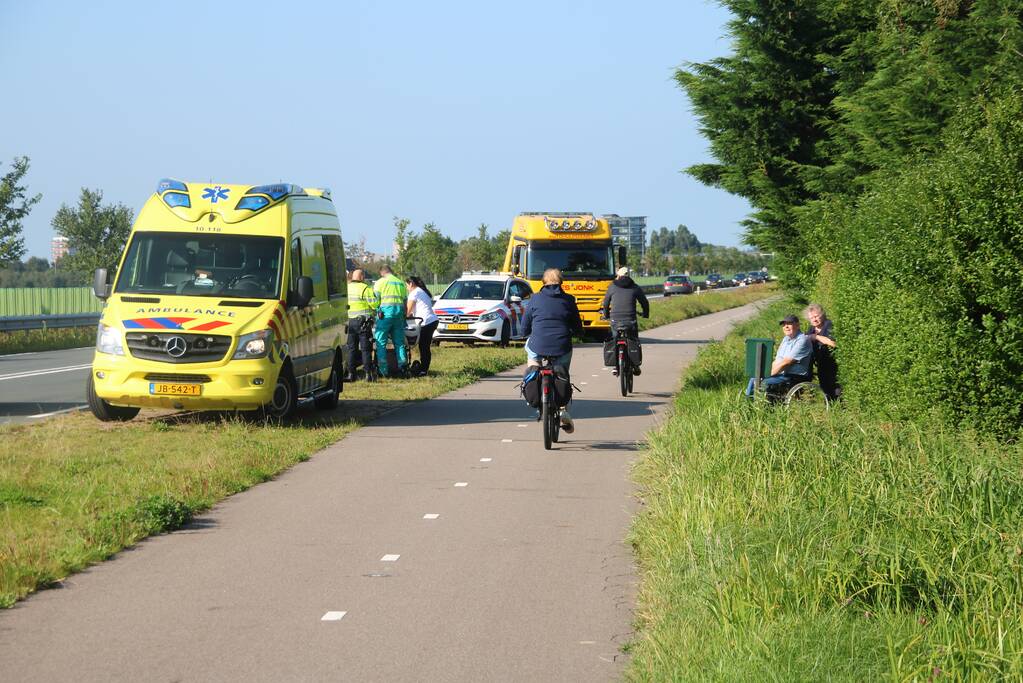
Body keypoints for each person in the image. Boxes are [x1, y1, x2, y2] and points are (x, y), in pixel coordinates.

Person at [521, 268, 583, 433]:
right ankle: (563, 409)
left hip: (538, 345)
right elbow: (577, 324)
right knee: (563, 373)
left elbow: (525, 324)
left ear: (543, 282)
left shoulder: (535, 299)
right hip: (561, 346)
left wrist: (525, 333)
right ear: (561, 282)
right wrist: (578, 333)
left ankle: (533, 376)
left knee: (531, 353)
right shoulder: (568, 300)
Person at [745, 314, 813, 397]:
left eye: (789, 323)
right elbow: (777, 361)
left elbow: (786, 362)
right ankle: (749, 401)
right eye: (784, 324)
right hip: (782, 374)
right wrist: (764, 373)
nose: (786, 326)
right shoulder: (786, 339)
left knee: (761, 382)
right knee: (754, 378)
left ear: (797, 325)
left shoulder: (802, 340)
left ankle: (754, 401)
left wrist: (767, 375)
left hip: (794, 376)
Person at [599, 266, 650, 376]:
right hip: (630, 320)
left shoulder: (612, 286)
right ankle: (635, 365)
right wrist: (645, 314)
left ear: (618, 276)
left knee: (614, 339)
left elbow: (606, 303)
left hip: (615, 320)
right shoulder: (635, 287)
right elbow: (644, 302)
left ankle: (615, 365)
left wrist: (606, 315)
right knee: (634, 340)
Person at [373, 265, 409, 377]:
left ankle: (383, 370)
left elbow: (375, 301)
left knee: (381, 343)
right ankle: (403, 368)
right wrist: (404, 315)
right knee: (399, 343)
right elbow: (405, 302)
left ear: (382, 273)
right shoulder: (400, 283)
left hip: (384, 316)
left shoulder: (380, 282)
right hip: (398, 316)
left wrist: (376, 311)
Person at [344, 269, 378, 381]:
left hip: (350, 322)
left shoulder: (347, 288)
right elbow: (374, 304)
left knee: (351, 349)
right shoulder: (365, 288)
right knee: (366, 349)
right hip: (363, 323)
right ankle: (368, 374)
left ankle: (351, 374)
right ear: (362, 277)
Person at [405, 275, 439, 376]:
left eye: (407, 285)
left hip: (426, 322)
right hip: (431, 321)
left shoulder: (414, 293)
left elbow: (408, 311)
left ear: (411, 284)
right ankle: (424, 368)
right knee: (425, 346)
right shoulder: (421, 291)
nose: (407, 288)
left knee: (423, 347)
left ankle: (424, 370)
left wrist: (401, 318)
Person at [805, 303, 838, 400]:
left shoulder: (829, 325)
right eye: (811, 318)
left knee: (834, 387)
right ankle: (829, 405)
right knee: (824, 388)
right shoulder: (812, 328)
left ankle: (839, 406)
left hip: (832, 362)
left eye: (816, 316)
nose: (814, 319)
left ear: (822, 315)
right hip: (820, 362)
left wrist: (816, 337)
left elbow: (833, 343)